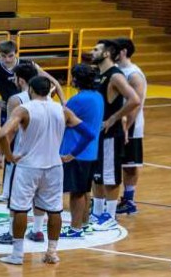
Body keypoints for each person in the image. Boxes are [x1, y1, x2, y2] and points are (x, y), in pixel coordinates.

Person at [0, 76, 95, 265]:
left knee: (20, 209)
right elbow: (89, 134)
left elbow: (2, 133)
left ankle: (17, 255)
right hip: (54, 166)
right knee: (54, 210)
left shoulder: (24, 109)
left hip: (28, 166)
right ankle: (51, 252)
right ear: (50, 90)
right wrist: (72, 155)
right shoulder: (63, 110)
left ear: (31, 90)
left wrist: (8, 156)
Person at [89, 39, 140, 231]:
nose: (91, 52)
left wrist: (114, 119)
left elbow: (135, 100)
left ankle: (110, 216)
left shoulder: (115, 76)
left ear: (107, 53)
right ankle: (98, 211)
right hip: (98, 133)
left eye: (96, 50)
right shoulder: (98, 74)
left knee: (109, 176)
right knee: (97, 175)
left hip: (111, 134)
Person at [0, 63, 39, 245]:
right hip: (42, 153)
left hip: (20, 155)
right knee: (39, 196)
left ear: (20, 80)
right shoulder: (46, 96)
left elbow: (9, 130)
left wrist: (1, 153)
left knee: (15, 198)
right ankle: (38, 230)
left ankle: (11, 233)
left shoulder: (16, 99)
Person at [0, 40, 65, 128]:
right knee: (8, 138)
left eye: (10, 56)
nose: (7, 59)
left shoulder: (28, 65)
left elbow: (54, 82)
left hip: (30, 107)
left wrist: (63, 103)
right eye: (3, 56)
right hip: (8, 108)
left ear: (16, 53)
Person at [59, 64, 104, 239]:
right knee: (85, 190)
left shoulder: (79, 100)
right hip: (91, 152)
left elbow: (63, 116)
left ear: (77, 79)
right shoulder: (97, 96)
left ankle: (75, 228)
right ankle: (84, 224)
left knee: (76, 192)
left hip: (76, 152)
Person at [115, 38, 147, 215]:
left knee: (129, 164)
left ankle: (129, 199)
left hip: (130, 125)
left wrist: (127, 128)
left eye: (115, 50)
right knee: (113, 162)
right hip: (116, 122)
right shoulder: (116, 71)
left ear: (124, 52)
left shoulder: (134, 74)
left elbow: (136, 104)